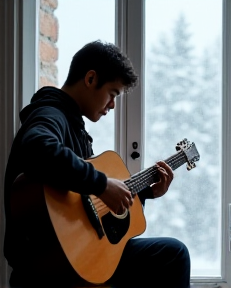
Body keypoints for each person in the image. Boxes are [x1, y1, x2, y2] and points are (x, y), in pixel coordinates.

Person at [4, 40, 191, 288]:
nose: (112, 105)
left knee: (163, 254)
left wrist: (146, 192)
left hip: (74, 255)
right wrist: (102, 184)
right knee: (173, 255)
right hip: (49, 264)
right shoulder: (50, 113)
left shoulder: (76, 128)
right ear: (91, 79)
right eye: (112, 94)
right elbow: (37, 147)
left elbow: (93, 212)